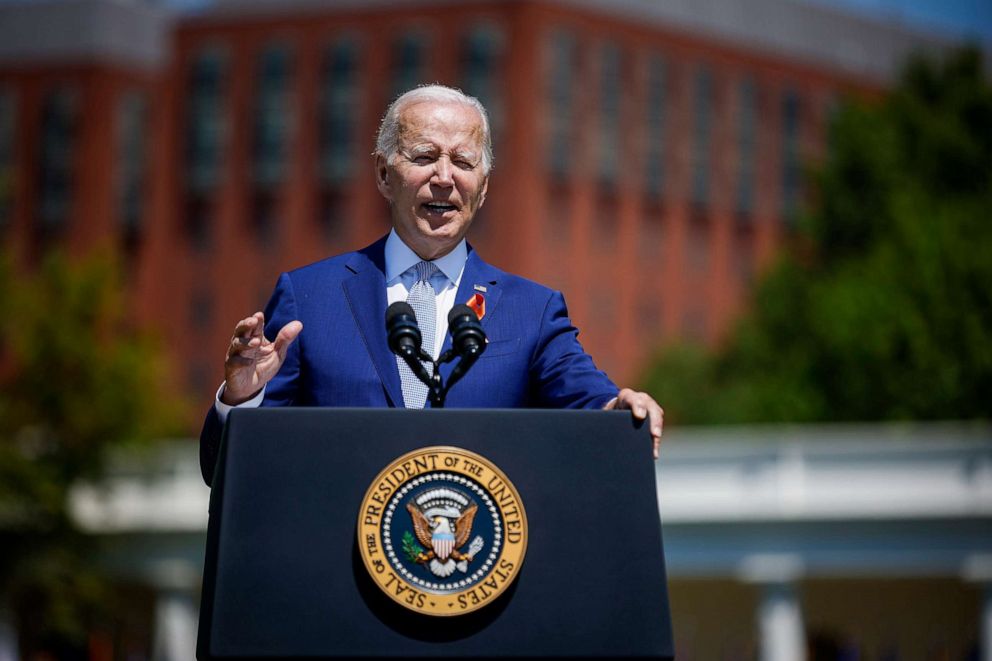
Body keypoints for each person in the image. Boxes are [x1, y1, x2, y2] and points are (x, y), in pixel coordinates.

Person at [199, 85, 663, 486]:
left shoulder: (532, 311)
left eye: (463, 161)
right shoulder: (310, 298)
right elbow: (225, 470)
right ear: (384, 174)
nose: (444, 178)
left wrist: (618, 410)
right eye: (424, 157)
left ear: (481, 189)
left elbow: (588, 400)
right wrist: (241, 399)